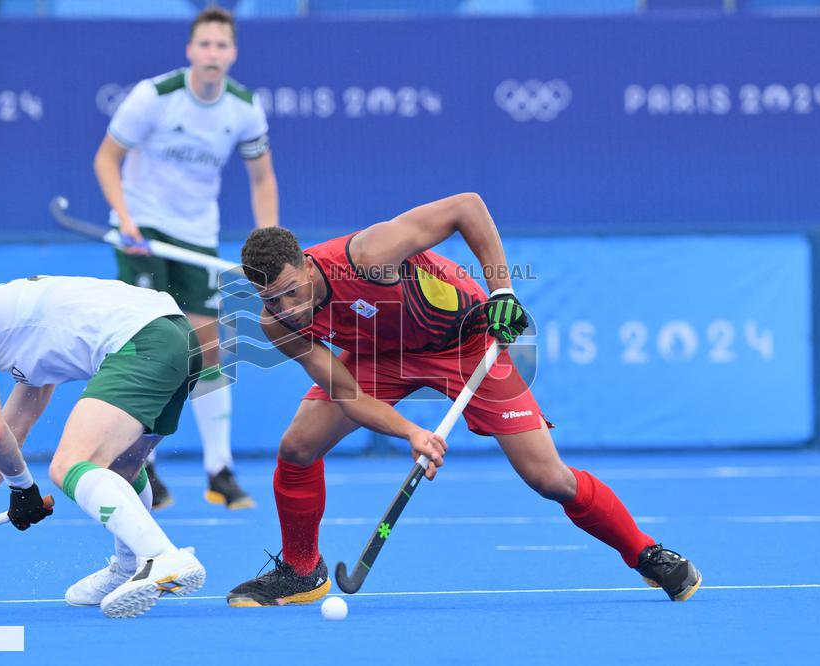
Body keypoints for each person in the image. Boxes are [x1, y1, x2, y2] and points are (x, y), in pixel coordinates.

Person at [227, 193, 702, 606]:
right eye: (271, 301)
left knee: (546, 476)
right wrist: (412, 432)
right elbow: (346, 394)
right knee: (298, 447)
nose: (287, 309)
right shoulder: (278, 326)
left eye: (292, 292)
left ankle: (644, 552)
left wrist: (503, 291)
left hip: (465, 342)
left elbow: (466, 206)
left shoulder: (369, 254)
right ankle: (301, 567)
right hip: (379, 357)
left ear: (307, 264)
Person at [0, 275, 207, 618]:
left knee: (67, 464)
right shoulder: (33, 326)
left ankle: (160, 555)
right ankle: (129, 567)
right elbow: (10, 432)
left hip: (143, 342)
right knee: (120, 469)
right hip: (181, 339)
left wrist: (22, 488)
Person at [94, 6, 277, 510]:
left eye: (222, 46)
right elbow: (107, 158)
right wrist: (125, 220)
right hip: (144, 232)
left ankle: (219, 471)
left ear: (232, 54)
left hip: (197, 238)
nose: (213, 54)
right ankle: (141, 463)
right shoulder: (154, 97)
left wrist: (269, 242)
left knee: (207, 349)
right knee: (155, 347)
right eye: (205, 45)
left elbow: (262, 178)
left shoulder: (244, 108)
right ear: (190, 51)